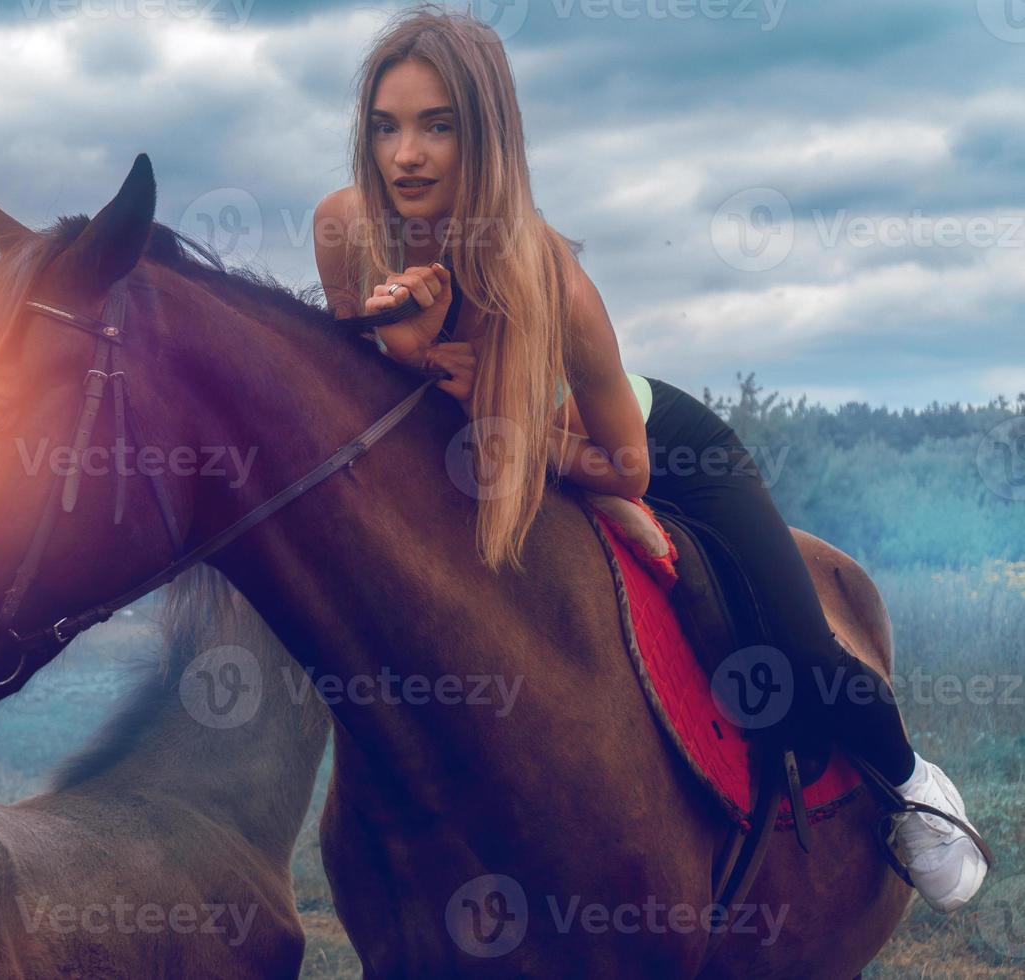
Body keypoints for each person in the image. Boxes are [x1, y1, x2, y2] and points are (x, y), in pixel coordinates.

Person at [312, 5, 986, 914]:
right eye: (387, 128)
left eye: (440, 127)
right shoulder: (347, 229)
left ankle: (911, 785)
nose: (407, 156)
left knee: (797, 649)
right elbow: (372, 400)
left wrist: (478, 401)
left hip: (654, 444)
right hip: (496, 457)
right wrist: (407, 354)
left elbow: (623, 470)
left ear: (490, 138)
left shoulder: (552, 281)